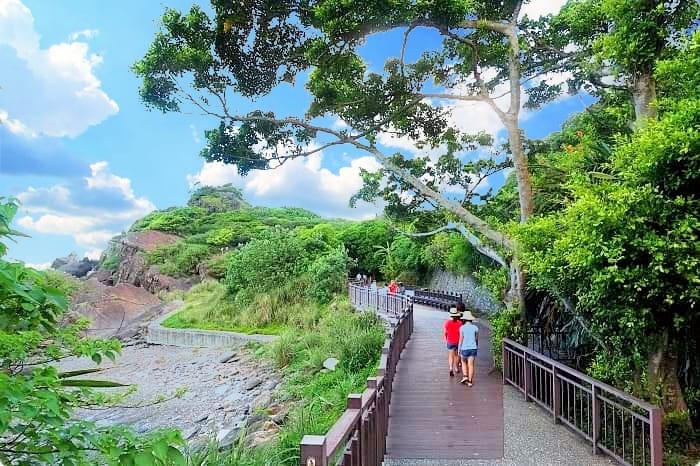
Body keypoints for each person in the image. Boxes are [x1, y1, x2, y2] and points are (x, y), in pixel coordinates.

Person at [458, 310, 479, 387]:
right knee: (471, 364)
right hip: (473, 348)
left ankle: (465, 376)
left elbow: (461, 339)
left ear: (464, 319)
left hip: (464, 348)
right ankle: (470, 381)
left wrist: (459, 349)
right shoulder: (475, 328)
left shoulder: (462, 328)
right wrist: (476, 347)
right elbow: (476, 339)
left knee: (463, 362)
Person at [443, 308, 462, 377]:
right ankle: (456, 368)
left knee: (451, 355)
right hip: (457, 341)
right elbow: (461, 333)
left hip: (450, 341)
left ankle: (451, 368)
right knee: (456, 355)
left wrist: (446, 339)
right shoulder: (460, 323)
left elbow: (445, 332)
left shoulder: (447, 323)